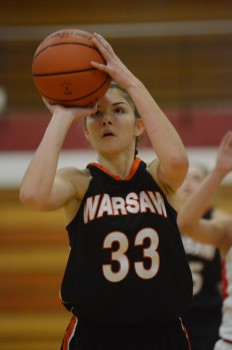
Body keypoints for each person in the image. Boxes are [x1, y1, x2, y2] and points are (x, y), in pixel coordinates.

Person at [20, 33, 193, 350]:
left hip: (162, 334)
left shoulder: (158, 177)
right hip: (95, 336)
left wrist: (131, 82)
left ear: (139, 125)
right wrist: (61, 114)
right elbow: (32, 195)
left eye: (119, 110)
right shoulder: (78, 183)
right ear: (85, 131)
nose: (106, 119)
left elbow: (178, 159)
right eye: (95, 114)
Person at [177, 130, 232, 350]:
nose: (189, 184)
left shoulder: (220, 220)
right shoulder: (162, 221)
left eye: (197, 178)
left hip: (208, 313)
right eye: (185, 178)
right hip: (173, 314)